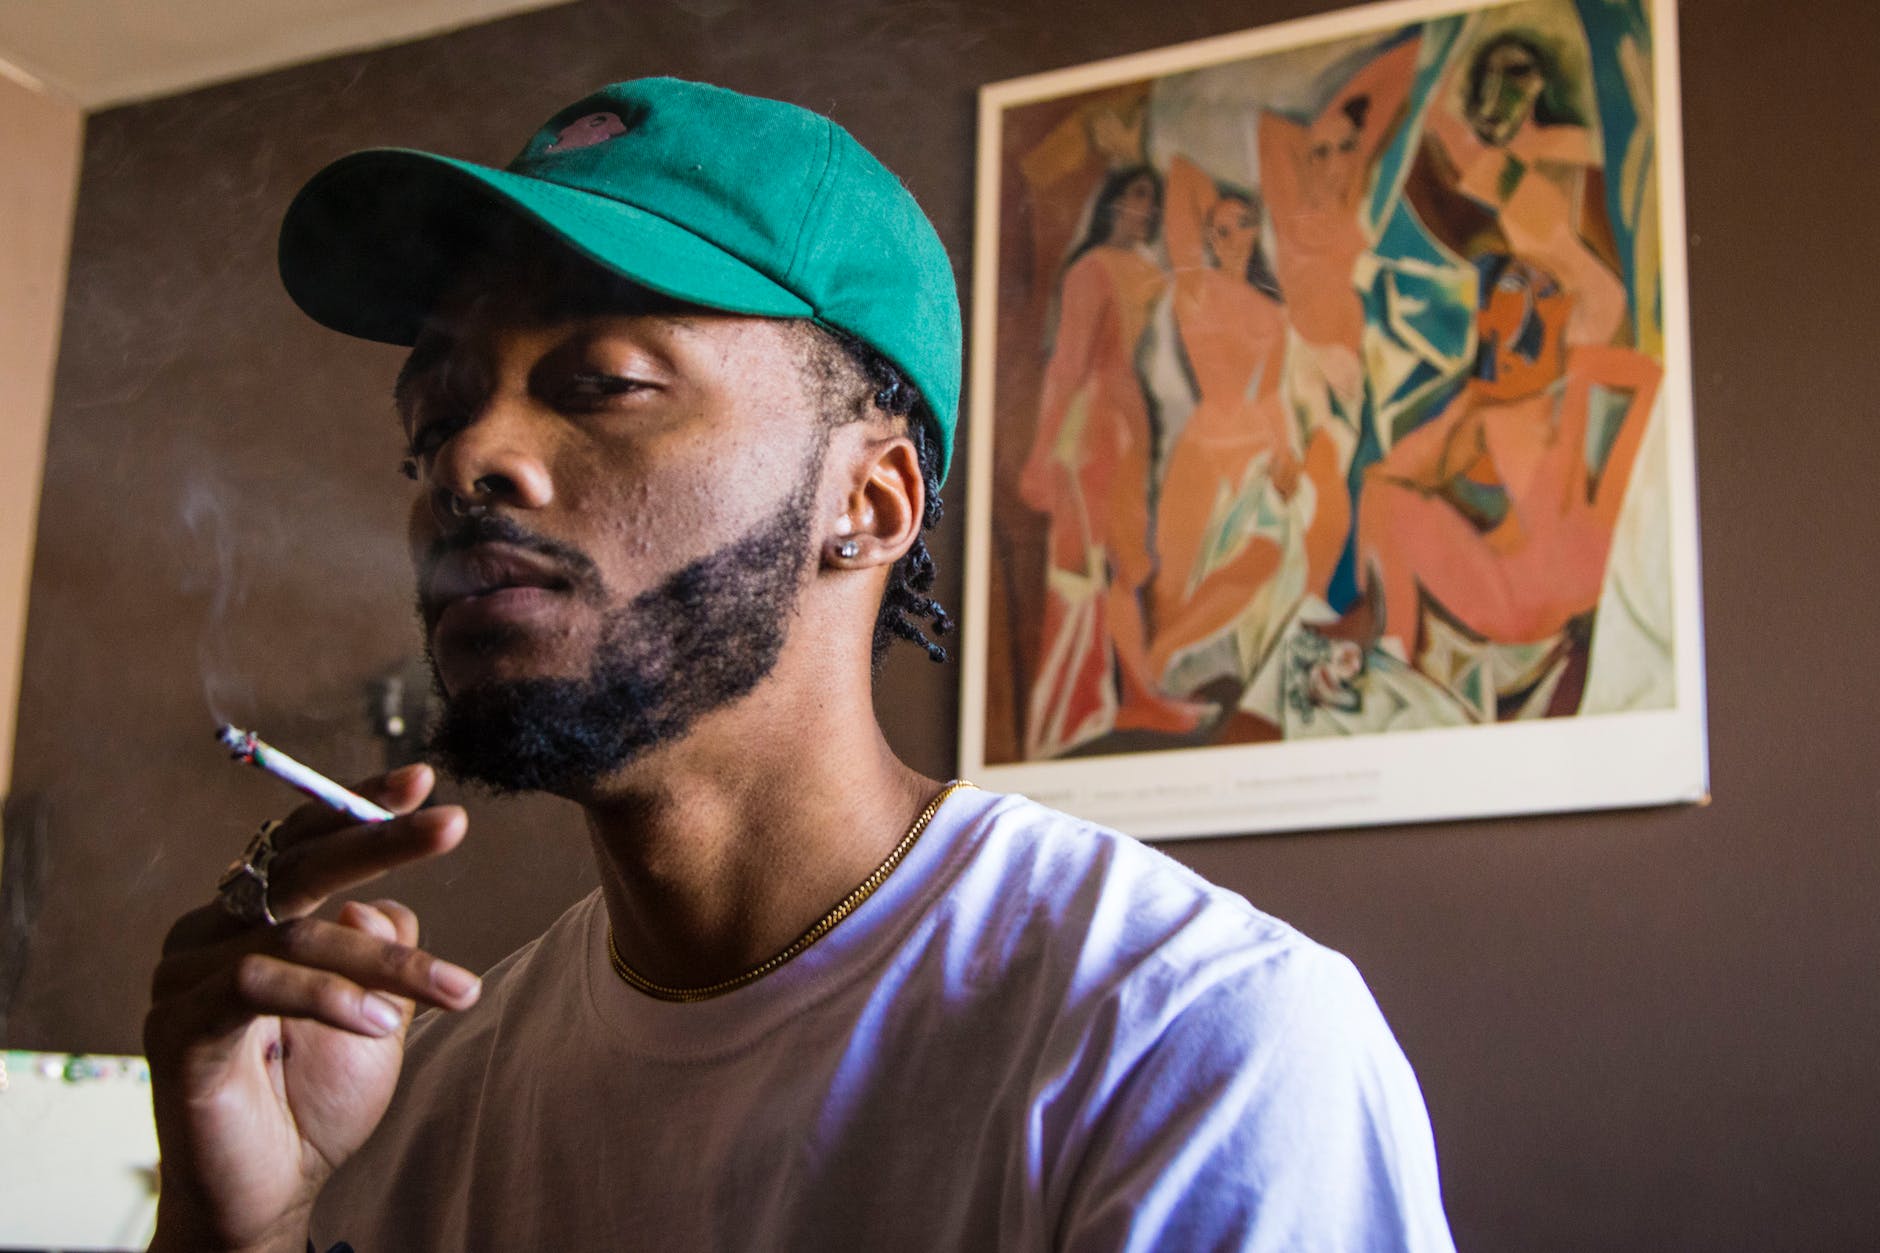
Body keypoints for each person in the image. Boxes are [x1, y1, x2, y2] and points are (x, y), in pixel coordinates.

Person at [142, 79, 1456, 1252]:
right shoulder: (420, 1103)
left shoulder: (1187, 1047)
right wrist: (240, 1224)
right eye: (433, 416)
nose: (469, 461)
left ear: (872, 501)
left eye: (602, 382)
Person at [1016, 166, 1207, 757]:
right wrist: (1042, 457)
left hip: (1131, 425)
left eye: (1153, 202)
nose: (1144, 212)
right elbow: (1067, 366)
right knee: (1095, 563)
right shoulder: (1091, 270)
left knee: (1127, 560)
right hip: (1092, 432)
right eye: (1135, 198)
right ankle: (1096, 702)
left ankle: (1134, 691)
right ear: (1112, 203)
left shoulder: (1149, 271)